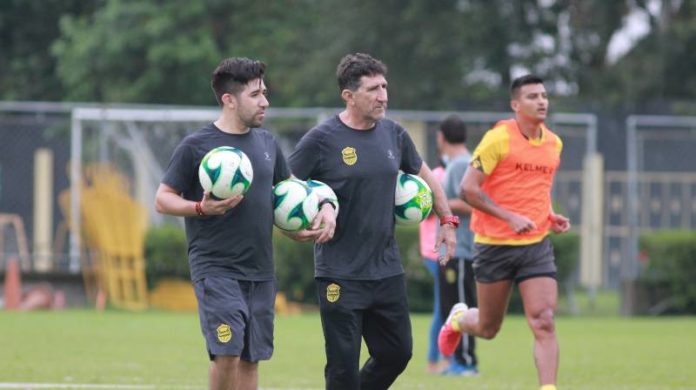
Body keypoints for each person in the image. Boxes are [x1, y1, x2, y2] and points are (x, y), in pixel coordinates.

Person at [288, 52, 457, 390]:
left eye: (384, 86)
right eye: (373, 89)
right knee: (343, 368)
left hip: (386, 270)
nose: (383, 96)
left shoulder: (394, 134)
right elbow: (286, 189)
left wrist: (447, 221)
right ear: (348, 96)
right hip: (339, 271)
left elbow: (427, 177)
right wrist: (297, 226)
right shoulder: (322, 140)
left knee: (397, 353)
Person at [154, 57, 291, 390]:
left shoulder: (269, 145)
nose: (265, 102)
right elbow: (162, 199)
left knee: (249, 359)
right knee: (226, 354)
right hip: (216, 270)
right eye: (256, 95)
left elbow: (285, 200)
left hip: (260, 270)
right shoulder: (196, 146)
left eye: (265, 93)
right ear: (229, 100)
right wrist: (200, 208)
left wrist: (304, 227)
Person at [438, 74, 571, 390]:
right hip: (494, 245)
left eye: (544, 95)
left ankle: (548, 387)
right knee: (487, 327)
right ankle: (459, 318)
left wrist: (549, 214)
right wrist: (508, 217)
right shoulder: (498, 139)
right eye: (532, 96)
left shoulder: (554, 143)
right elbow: (468, 189)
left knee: (544, 320)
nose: (541, 101)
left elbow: (537, 188)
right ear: (515, 105)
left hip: (535, 244)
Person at [435, 114, 478, 376]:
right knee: (450, 309)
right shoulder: (457, 163)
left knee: (461, 307)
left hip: (461, 250)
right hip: (451, 251)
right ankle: (455, 362)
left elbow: (474, 202)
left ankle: (466, 362)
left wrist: (439, 205)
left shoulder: (462, 164)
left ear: (441, 137)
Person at [417, 163, 447, 374]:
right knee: (443, 307)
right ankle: (435, 360)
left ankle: (443, 359)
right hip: (434, 252)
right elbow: (424, 212)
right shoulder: (436, 175)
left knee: (447, 306)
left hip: (447, 252)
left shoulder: (456, 170)